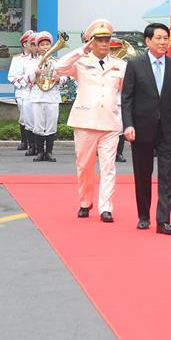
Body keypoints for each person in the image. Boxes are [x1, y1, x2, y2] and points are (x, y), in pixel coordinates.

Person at [53, 19, 127, 221]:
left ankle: (106, 208)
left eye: (107, 40)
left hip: (110, 122)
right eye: (100, 40)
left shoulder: (120, 65)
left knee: (108, 167)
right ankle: (85, 202)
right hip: (86, 121)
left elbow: (128, 93)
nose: (104, 44)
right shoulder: (81, 62)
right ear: (91, 42)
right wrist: (80, 51)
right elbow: (59, 67)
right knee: (85, 166)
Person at [121, 22, 171, 234]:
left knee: (167, 175)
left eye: (165, 38)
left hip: (168, 129)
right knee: (143, 174)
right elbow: (127, 98)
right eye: (158, 38)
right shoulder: (134, 65)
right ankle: (144, 215)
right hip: (141, 128)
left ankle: (163, 221)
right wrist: (128, 125)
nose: (162, 42)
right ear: (148, 41)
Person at [29, 32, 65, 162]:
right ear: (37, 47)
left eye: (47, 44)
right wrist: (36, 74)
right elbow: (29, 80)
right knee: (38, 125)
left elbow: (65, 77)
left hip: (52, 97)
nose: (45, 47)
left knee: (51, 124)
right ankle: (39, 152)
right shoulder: (32, 62)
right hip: (38, 97)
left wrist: (58, 78)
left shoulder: (57, 62)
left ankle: (49, 152)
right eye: (42, 45)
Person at [9, 30, 35, 153]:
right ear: (25, 44)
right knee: (24, 118)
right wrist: (24, 83)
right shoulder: (17, 59)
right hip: (23, 92)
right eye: (31, 42)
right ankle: (25, 141)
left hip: (36, 91)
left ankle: (33, 144)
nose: (34, 45)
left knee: (34, 118)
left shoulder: (38, 57)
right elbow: (12, 76)